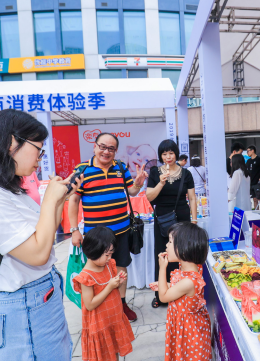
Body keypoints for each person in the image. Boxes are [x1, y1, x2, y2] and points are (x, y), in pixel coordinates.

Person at [0, 109, 82, 360]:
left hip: (35, 300)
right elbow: (36, 252)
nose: (40, 158)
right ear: (11, 142)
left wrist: (59, 200)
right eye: (38, 149)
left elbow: (43, 234)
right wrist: (49, 202)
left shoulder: (5, 188)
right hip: (20, 307)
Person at [68, 133, 148, 322]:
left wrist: (138, 184)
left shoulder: (121, 167)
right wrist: (74, 229)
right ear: (95, 147)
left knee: (121, 268)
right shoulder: (82, 169)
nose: (106, 151)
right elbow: (74, 200)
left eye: (111, 148)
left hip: (121, 230)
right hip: (95, 235)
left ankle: (121, 304)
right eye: (102, 147)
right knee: (96, 270)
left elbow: (132, 191)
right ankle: (99, 305)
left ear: (116, 151)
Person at [146, 139, 196, 308]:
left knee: (182, 255)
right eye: (164, 154)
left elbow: (192, 198)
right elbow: (149, 197)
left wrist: (194, 221)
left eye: (171, 153)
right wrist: (161, 182)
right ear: (161, 156)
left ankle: (179, 292)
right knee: (163, 255)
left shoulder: (186, 173)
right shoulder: (154, 172)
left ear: (176, 154)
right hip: (162, 219)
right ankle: (160, 295)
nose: (168, 157)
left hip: (182, 218)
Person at [72, 226, 135, 361]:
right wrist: (109, 287)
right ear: (93, 251)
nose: (109, 257)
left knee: (114, 352)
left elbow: (114, 291)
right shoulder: (86, 277)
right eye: (107, 254)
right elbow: (89, 304)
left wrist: (118, 282)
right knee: (105, 356)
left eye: (111, 254)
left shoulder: (108, 265)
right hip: (100, 325)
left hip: (113, 320)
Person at [157, 222, 211, 361]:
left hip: (189, 335)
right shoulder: (188, 269)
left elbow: (163, 297)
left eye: (170, 242)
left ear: (184, 248)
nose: (167, 245)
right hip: (185, 329)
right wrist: (166, 284)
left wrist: (162, 268)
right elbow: (179, 290)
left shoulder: (188, 281)